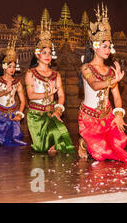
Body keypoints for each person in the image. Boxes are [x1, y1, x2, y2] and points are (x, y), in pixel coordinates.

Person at [78, 4, 127, 163]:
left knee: (117, 146)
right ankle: (84, 142)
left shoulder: (111, 70)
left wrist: (118, 114)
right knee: (100, 153)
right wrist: (113, 81)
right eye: (104, 46)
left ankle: (93, 142)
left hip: (107, 116)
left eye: (109, 46)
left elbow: (117, 97)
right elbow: (95, 85)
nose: (108, 49)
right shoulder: (86, 67)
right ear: (95, 46)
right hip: (89, 117)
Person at [25, 19, 74, 155]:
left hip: (51, 113)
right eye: (44, 52)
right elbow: (31, 95)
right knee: (41, 149)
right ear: (37, 54)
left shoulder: (55, 74)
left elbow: (61, 96)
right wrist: (47, 94)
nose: (48, 56)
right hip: (35, 116)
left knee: (61, 140)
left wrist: (58, 110)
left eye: (50, 53)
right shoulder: (30, 73)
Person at [0, 36, 28, 146]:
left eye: (13, 66)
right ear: (4, 66)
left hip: (13, 113)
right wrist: (5, 91)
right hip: (0, 115)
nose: (12, 69)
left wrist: (20, 114)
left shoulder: (17, 82)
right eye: (10, 66)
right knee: (4, 142)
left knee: (15, 141)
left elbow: (23, 101)